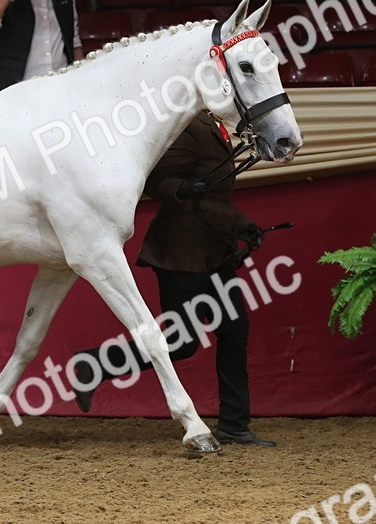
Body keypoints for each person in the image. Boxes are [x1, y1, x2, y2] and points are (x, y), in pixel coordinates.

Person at [69, 110, 276, 447]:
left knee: (235, 332)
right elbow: (151, 179)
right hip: (179, 255)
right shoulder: (187, 126)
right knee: (183, 342)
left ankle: (235, 425)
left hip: (214, 252)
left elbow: (214, 199)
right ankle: (94, 365)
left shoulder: (214, 125)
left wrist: (244, 226)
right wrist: (180, 188)